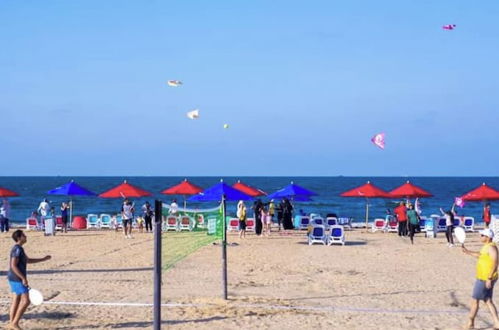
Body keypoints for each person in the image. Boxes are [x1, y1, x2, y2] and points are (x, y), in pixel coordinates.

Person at [7, 230, 51, 330]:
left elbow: (28, 260)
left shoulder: (19, 249)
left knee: (16, 300)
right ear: (19, 238)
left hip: (13, 277)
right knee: (26, 301)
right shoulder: (17, 249)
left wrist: (43, 259)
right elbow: (13, 265)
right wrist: (23, 278)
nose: (26, 237)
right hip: (16, 278)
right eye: (24, 235)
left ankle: (11, 323)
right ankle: (14, 323)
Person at [462, 228, 499, 329]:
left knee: (475, 301)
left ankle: (470, 323)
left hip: (485, 278)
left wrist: (489, 278)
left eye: (482, 235)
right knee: (488, 300)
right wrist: (467, 252)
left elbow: (495, 263)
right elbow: (480, 255)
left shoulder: (492, 248)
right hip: (484, 277)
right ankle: (497, 323)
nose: (480, 237)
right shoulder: (486, 247)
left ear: (488, 237)